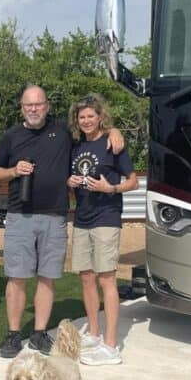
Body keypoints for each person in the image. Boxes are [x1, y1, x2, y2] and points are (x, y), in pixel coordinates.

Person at [0, 85, 123, 358]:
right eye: (29, 105)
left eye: (38, 104)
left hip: (55, 216)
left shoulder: (63, 131)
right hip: (20, 215)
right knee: (17, 277)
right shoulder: (11, 136)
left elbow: (92, 134)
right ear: (22, 107)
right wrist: (14, 171)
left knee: (47, 277)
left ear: (47, 106)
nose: (34, 109)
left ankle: (39, 334)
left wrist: (114, 131)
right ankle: (14, 335)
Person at [67, 93, 139, 365]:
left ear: (100, 117)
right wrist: (69, 182)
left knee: (107, 278)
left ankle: (111, 346)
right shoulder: (75, 147)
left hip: (106, 216)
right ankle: (94, 335)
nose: (86, 120)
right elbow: (69, 179)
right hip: (82, 217)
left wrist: (112, 188)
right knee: (86, 277)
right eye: (82, 116)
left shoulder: (112, 144)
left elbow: (133, 181)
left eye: (91, 116)